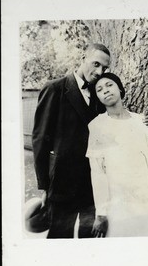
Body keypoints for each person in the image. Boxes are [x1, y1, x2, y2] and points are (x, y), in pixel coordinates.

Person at [32, 43, 111, 238]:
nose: (100, 71)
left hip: (91, 187)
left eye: (104, 68)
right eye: (96, 64)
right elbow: (40, 139)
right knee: (59, 238)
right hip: (61, 186)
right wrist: (44, 186)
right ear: (82, 59)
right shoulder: (54, 89)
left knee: (90, 240)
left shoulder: (99, 94)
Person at [86, 72, 148, 237]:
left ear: (120, 89)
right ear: (98, 98)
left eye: (110, 85)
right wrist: (101, 212)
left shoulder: (140, 121)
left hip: (145, 197)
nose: (106, 91)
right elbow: (97, 172)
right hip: (117, 201)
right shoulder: (96, 126)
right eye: (100, 89)